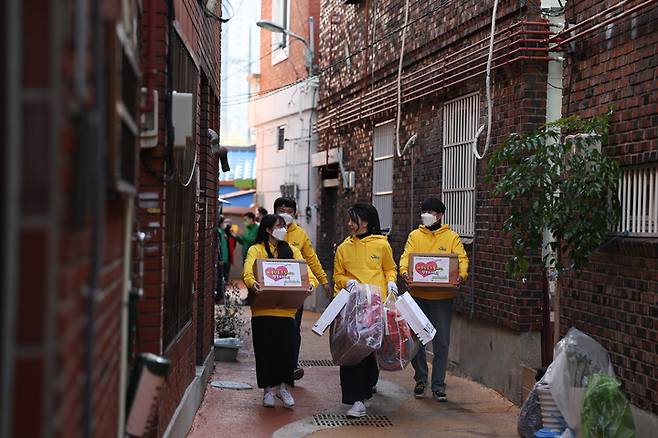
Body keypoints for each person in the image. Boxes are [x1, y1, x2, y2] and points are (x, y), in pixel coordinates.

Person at [242, 214, 318, 409]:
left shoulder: (292, 251)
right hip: (262, 310)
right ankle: (267, 390)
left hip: (286, 311)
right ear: (268, 229)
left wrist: (311, 284)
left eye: (284, 226)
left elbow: (305, 271)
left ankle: (283, 388)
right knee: (265, 351)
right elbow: (248, 272)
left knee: (285, 351)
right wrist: (252, 283)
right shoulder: (256, 250)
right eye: (279, 226)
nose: (283, 230)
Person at [399, 198, 469, 402]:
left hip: (442, 297)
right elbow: (406, 256)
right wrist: (404, 272)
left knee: (442, 342)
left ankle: (438, 385)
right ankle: (421, 379)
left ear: (440, 215)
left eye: (430, 212)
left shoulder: (451, 237)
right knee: (417, 340)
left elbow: (461, 259)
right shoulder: (415, 235)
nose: (426, 215)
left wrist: (461, 275)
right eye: (424, 211)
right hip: (418, 296)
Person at [332, 203, 398, 418]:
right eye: (349, 220)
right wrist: (346, 282)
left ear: (367, 221)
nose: (349, 224)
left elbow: (389, 268)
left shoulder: (381, 245)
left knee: (370, 352)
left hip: (375, 308)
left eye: (354, 220)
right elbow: (338, 275)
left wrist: (391, 283)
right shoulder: (343, 248)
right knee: (351, 352)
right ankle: (356, 400)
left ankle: (367, 387)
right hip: (352, 308)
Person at [273, 197, 330, 381]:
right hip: (272, 291)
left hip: (294, 293)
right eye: (281, 210)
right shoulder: (268, 230)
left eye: (289, 211)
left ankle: (291, 366)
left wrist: (323, 281)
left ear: (294, 214)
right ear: (274, 211)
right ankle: (275, 366)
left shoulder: (301, 235)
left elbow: (311, 260)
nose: (285, 214)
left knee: (293, 329)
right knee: (274, 329)